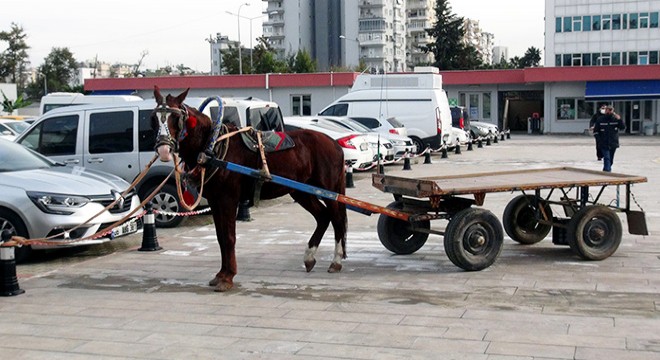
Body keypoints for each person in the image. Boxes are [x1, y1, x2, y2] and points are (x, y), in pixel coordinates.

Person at [593, 105, 625, 172]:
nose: (609, 111)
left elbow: (622, 128)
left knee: (610, 160)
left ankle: (605, 171)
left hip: (613, 143)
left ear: (613, 111)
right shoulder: (600, 119)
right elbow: (596, 131)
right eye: (608, 109)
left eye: (611, 110)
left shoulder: (615, 119)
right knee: (606, 158)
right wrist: (599, 140)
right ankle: (608, 172)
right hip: (604, 143)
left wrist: (619, 120)